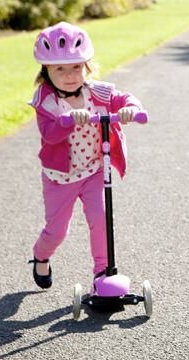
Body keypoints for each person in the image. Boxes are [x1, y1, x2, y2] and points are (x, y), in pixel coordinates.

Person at [27, 22, 142, 289]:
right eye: (60, 69)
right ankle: (41, 255)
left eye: (76, 67)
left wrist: (131, 108)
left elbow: (123, 98)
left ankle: (102, 273)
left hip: (94, 170)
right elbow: (49, 135)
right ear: (46, 71)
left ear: (86, 66)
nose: (70, 75)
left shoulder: (97, 92)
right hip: (60, 177)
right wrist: (67, 120)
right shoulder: (46, 101)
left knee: (102, 219)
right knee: (56, 231)